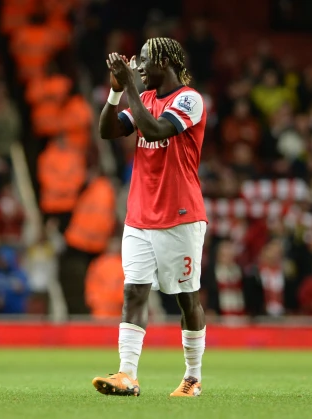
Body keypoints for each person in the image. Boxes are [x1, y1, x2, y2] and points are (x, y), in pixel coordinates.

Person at [92, 37, 208, 397]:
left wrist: (129, 84)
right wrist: (115, 93)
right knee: (133, 292)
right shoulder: (142, 99)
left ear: (165, 61)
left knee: (186, 298)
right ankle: (127, 375)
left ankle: (193, 377)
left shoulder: (189, 99)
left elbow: (157, 130)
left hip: (181, 216)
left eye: (144, 61)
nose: (139, 68)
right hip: (140, 216)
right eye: (136, 64)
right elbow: (108, 131)